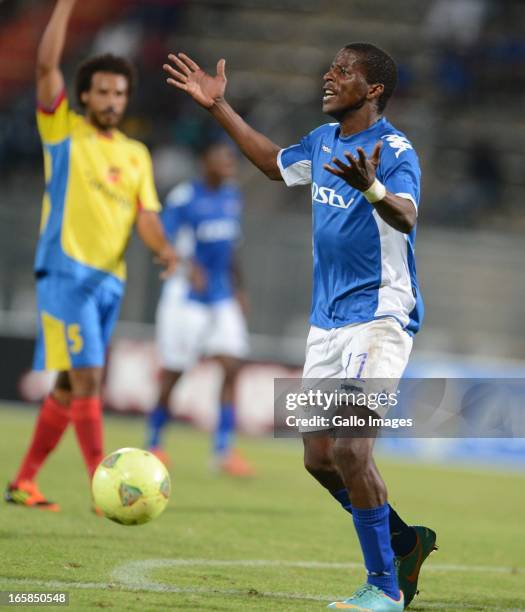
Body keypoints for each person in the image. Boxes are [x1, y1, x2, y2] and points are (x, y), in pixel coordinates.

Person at [163, 43, 436, 610]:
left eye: (344, 71)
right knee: (318, 457)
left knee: (353, 450)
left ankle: (384, 589)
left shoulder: (394, 148)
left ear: (374, 88)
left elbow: (406, 215)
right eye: (331, 68)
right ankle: (405, 542)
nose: (329, 76)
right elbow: (270, 163)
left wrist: (372, 188)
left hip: (379, 318)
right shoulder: (322, 139)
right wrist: (219, 107)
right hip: (327, 321)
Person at [4, 0, 177, 511]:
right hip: (65, 273)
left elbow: (145, 214)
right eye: (102, 91)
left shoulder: (136, 154)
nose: (111, 99)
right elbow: (44, 67)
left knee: (66, 385)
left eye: (119, 92)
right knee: (89, 378)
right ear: (84, 96)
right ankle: (108, 487)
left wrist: (164, 249)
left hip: (108, 280)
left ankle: (24, 481)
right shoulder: (64, 134)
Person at [146, 141, 254, 477]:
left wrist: (239, 287)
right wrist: (187, 268)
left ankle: (223, 451)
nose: (228, 164)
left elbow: (231, 246)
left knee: (233, 364)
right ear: (204, 161)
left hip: (220, 294)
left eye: (230, 160)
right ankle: (154, 443)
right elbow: (162, 239)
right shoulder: (184, 197)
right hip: (185, 295)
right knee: (176, 370)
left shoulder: (231, 196)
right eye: (221, 158)